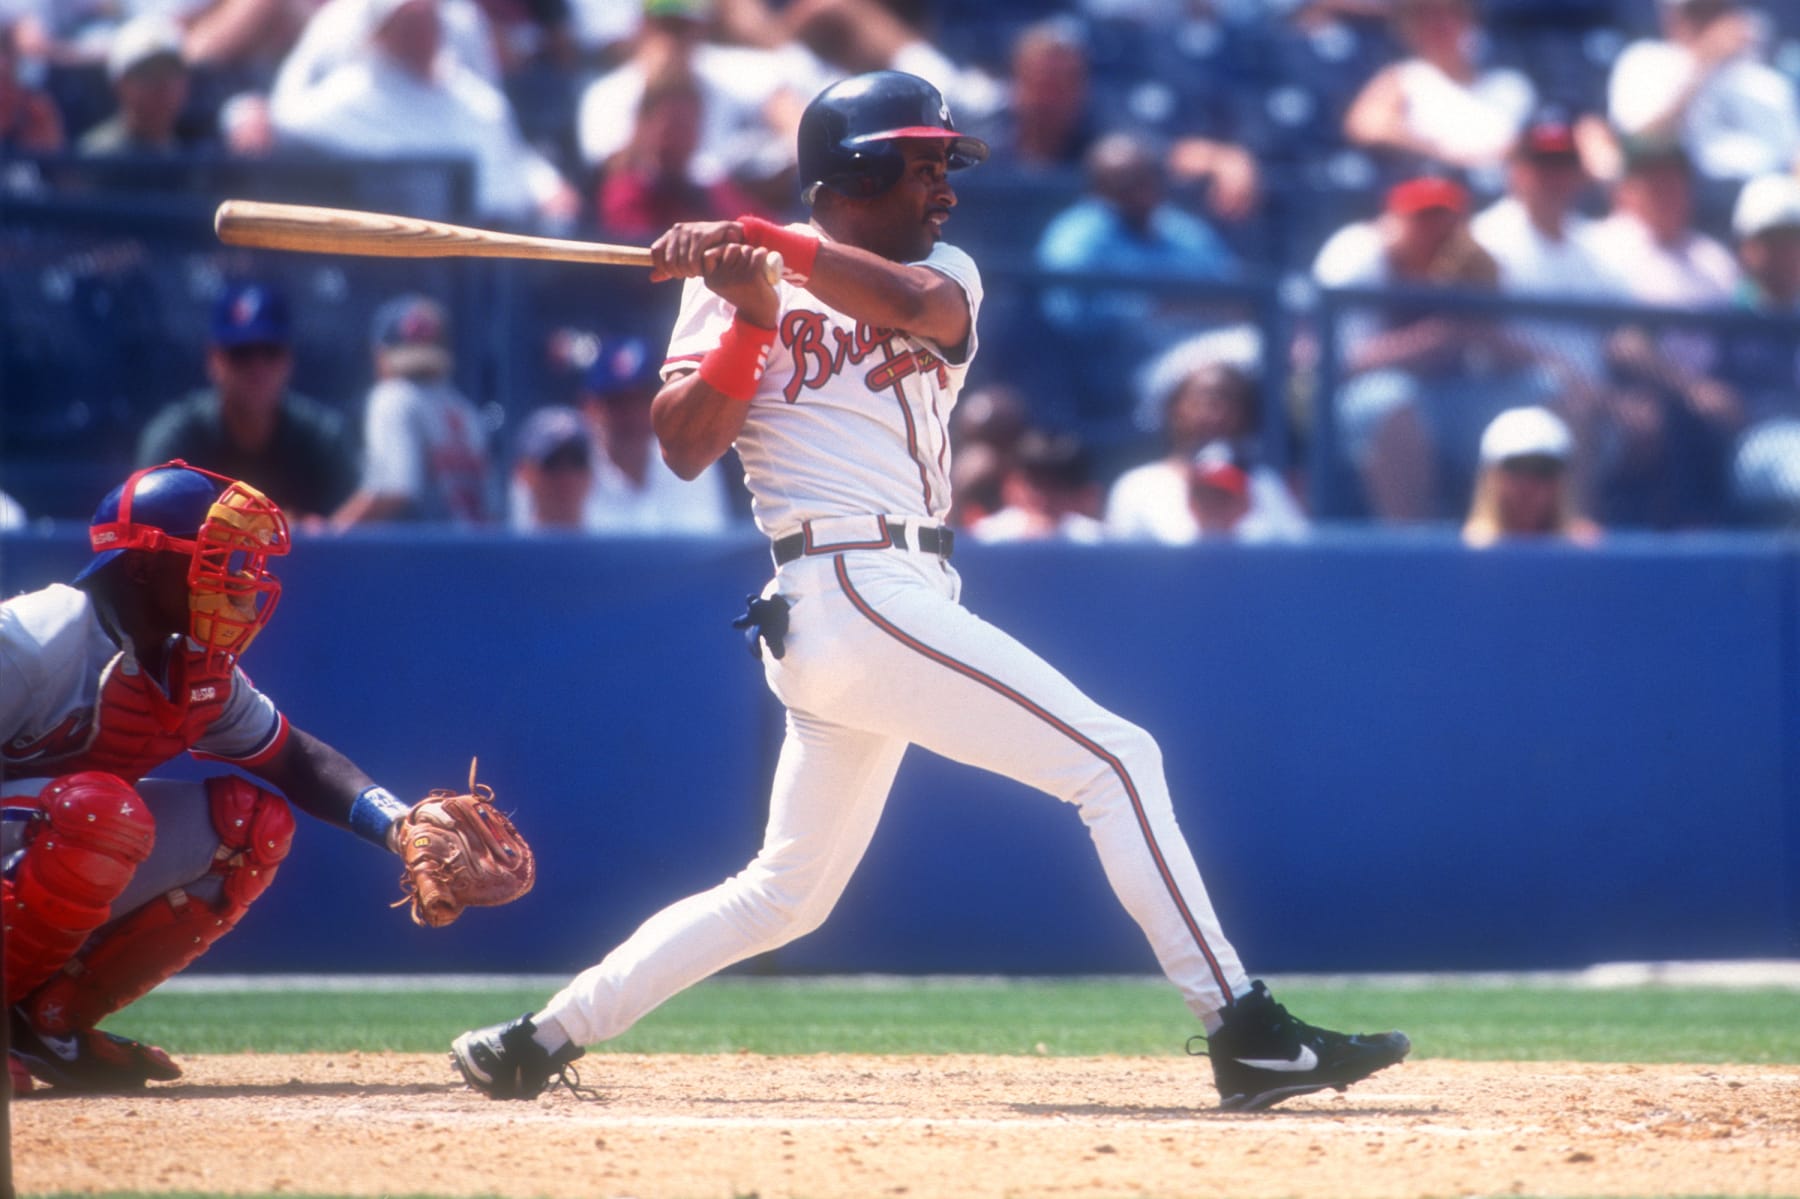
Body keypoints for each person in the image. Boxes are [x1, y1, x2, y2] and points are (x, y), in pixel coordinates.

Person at [449, 69, 1410, 1113]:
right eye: (922, 165)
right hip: (842, 583)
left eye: (946, 164)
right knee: (1119, 760)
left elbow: (914, 306)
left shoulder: (939, 267)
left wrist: (768, 250)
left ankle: (535, 1039)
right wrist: (749, 319)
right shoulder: (728, 287)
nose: (944, 187)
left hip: (891, 591)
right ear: (853, 168)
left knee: (785, 892)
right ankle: (1247, 1029)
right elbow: (685, 445)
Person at [0, 462, 450, 1091]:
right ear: (140, 565)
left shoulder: (192, 663)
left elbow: (297, 760)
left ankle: (47, 1026)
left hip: (42, 830)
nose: (241, 581)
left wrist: (401, 827)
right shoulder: (37, 638)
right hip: (50, 825)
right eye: (217, 559)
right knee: (97, 812)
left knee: (248, 827)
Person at [269, 0, 578, 230]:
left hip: (515, 251)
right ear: (384, 31)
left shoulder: (468, 91)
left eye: (429, 17)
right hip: (434, 257)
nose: (423, 30)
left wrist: (546, 185)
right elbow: (283, 118)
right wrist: (243, 115)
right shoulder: (357, 93)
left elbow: (510, 151)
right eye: (410, 21)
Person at [135, 281, 359, 523]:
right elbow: (146, 523)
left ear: (288, 359)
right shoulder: (177, 436)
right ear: (214, 359)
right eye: (241, 353)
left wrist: (321, 532)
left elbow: (360, 539)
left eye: (270, 352)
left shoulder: (323, 437)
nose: (257, 368)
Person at [331, 293, 493, 529]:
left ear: (380, 354)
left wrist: (331, 533)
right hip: (476, 553)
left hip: (423, 554)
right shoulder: (464, 408)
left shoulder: (393, 397)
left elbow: (396, 489)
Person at [1105, 361, 1307, 545]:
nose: (1216, 415)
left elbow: (1298, 560)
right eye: (1203, 401)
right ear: (1175, 410)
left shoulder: (1264, 485)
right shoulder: (1137, 487)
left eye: (1228, 403)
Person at [1342, 0, 1535, 189]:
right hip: (1437, 192)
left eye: (1451, 13)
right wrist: (1445, 154)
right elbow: (1366, 125)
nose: (1440, 23)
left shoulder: (1510, 84)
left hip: (1512, 194)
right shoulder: (1404, 77)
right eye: (1426, 15)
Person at [1607, 0, 1800, 184]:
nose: (1709, 21)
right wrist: (1704, 65)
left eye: (1716, 10)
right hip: (1685, 195)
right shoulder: (1645, 61)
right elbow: (1639, 146)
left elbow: (1794, 159)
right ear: (1671, 16)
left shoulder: (1765, 80)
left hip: (1762, 197)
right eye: (1698, 11)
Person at [576, 334, 733, 534]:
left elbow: (710, 551)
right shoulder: (567, 470)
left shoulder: (692, 462)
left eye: (641, 401)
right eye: (617, 402)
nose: (631, 416)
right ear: (589, 407)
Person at [1462, 406, 1600, 546]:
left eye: (1542, 469)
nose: (1528, 484)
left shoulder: (1585, 547)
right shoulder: (1468, 550)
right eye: (1515, 468)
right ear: (1490, 477)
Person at [76, 14, 206, 157]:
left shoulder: (201, 149)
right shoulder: (98, 155)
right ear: (120, 85)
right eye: (148, 73)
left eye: (170, 72)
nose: (162, 86)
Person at [967, 427, 1105, 544]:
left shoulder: (1097, 541)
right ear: (1011, 487)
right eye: (1035, 485)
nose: (1043, 498)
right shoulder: (985, 538)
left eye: (1055, 486)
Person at [508, 404, 594, 531]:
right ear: (523, 473)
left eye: (577, 462)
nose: (567, 477)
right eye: (552, 463)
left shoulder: (617, 541)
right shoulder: (507, 547)